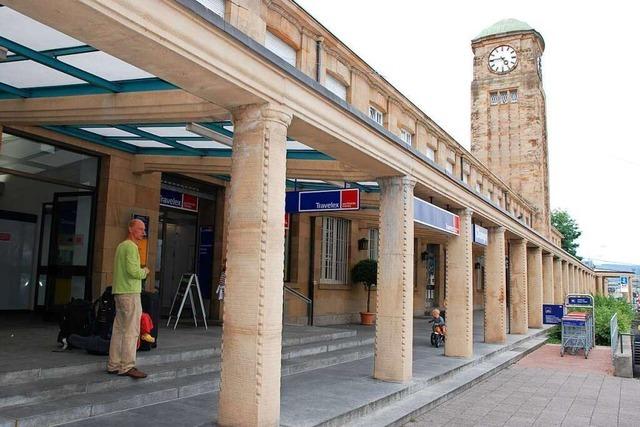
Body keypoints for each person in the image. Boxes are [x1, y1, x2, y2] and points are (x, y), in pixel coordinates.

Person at [107, 219, 150, 379]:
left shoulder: (120, 246)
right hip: (130, 293)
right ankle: (127, 366)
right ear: (131, 229)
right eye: (140, 229)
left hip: (119, 292)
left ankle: (114, 364)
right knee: (132, 331)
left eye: (143, 229)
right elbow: (133, 271)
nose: (143, 232)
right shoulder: (131, 247)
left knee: (119, 329)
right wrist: (144, 271)